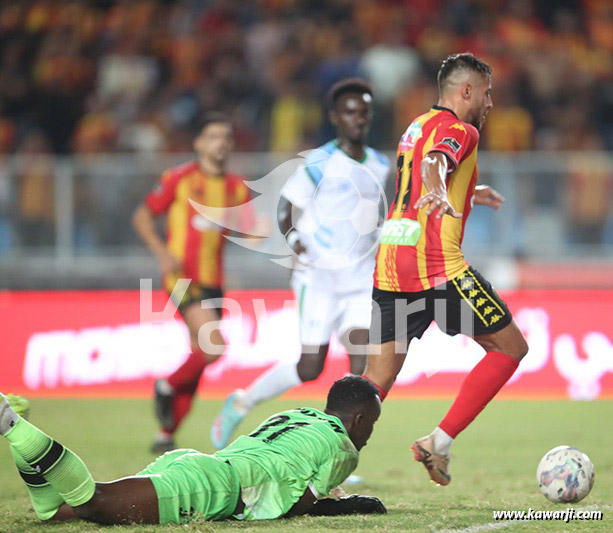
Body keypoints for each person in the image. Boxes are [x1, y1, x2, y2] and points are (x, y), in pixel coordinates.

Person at [363, 53, 529, 485]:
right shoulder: (462, 130)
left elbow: (415, 179)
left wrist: (466, 191)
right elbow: (436, 163)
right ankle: (438, 441)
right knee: (511, 348)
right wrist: (440, 184)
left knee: (375, 380)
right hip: (437, 270)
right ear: (467, 91)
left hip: (391, 264)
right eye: (487, 93)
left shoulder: (415, 125)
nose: (491, 103)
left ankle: (316, 468)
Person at [211, 79, 391, 450]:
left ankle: (336, 453)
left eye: (364, 112)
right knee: (311, 367)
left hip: (360, 279)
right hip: (318, 278)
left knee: (360, 366)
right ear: (335, 117)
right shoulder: (319, 161)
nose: (358, 119)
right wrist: (295, 241)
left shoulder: (380, 163)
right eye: (350, 112)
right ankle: (243, 400)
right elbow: (285, 207)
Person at [0, 376, 385, 525]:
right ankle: (12, 424)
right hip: (216, 487)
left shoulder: (297, 413)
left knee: (59, 512)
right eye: (372, 423)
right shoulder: (344, 450)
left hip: (198, 467)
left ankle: (21, 433)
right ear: (359, 420)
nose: (369, 432)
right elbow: (301, 504)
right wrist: (346, 502)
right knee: (94, 502)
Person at [132, 112, 256, 453]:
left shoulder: (236, 187)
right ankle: (166, 385)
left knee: (200, 355)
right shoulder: (179, 178)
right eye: (214, 136)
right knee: (214, 347)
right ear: (199, 143)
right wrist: (161, 252)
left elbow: (250, 231)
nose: (222, 142)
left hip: (215, 282)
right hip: (182, 279)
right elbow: (143, 215)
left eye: (226, 137)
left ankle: (166, 432)